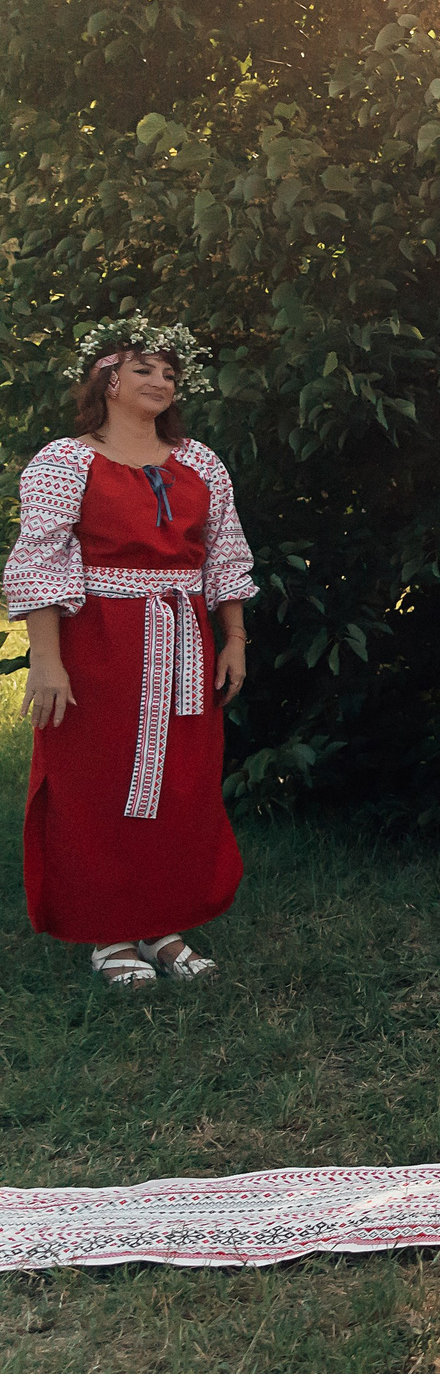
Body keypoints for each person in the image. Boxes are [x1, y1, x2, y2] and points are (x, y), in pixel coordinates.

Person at [6, 321, 255, 989]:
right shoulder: (67, 461)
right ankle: (108, 931)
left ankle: (162, 924)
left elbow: (224, 554)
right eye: (145, 368)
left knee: (181, 781)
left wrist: (234, 638)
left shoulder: (199, 462)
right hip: (101, 640)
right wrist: (47, 660)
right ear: (107, 379)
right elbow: (41, 564)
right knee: (99, 778)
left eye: (170, 373)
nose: (161, 380)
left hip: (183, 643)